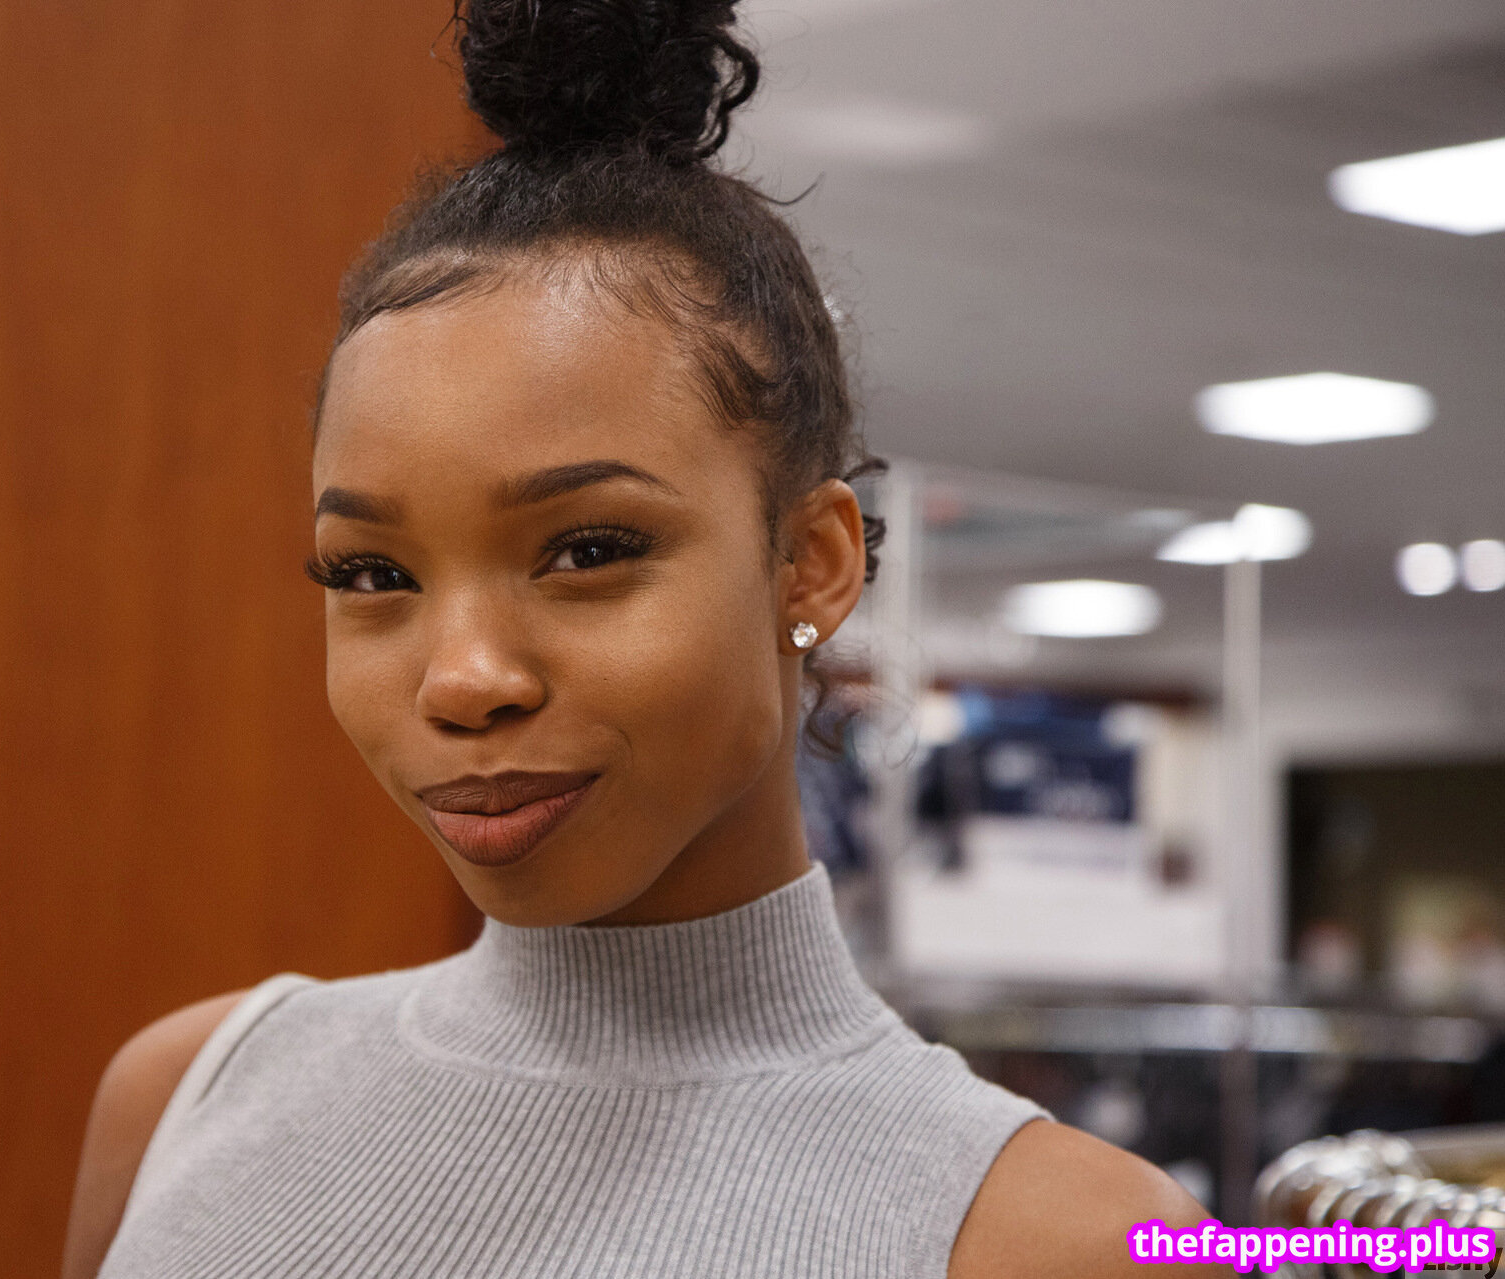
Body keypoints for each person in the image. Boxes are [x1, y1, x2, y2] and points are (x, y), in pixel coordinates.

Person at [62, 2, 1225, 1275]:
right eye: (373, 572)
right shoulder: (188, 1095)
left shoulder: (1070, 1238)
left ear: (812, 562)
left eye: (588, 551)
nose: (465, 680)